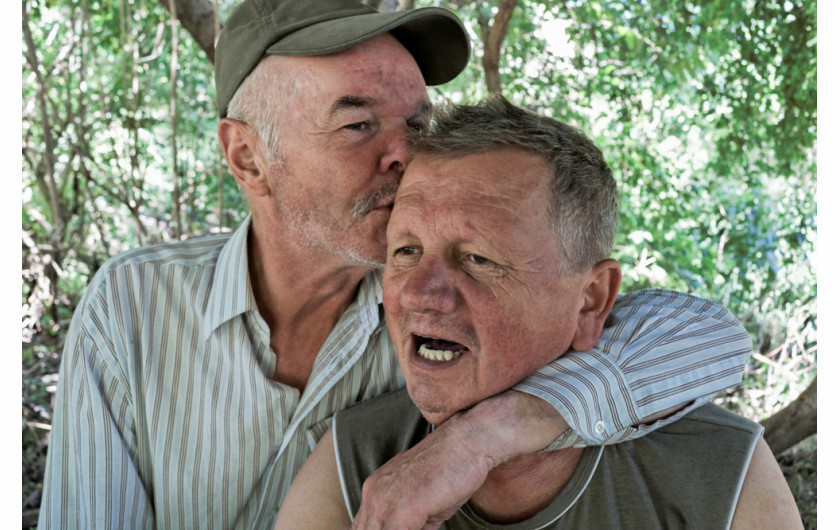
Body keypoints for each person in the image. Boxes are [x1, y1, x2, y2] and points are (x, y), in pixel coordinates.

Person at [38, 1, 753, 528]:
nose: (406, 155)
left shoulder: (445, 310)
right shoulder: (136, 305)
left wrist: (484, 435)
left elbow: (712, 341)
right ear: (248, 157)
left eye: (417, 124)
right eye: (357, 125)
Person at [275, 97, 802, 529]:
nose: (420, 294)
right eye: (406, 252)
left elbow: (720, 337)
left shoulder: (721, 475)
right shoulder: (356, 460)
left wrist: (478, 441)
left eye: (479, 259)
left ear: (591, 300)